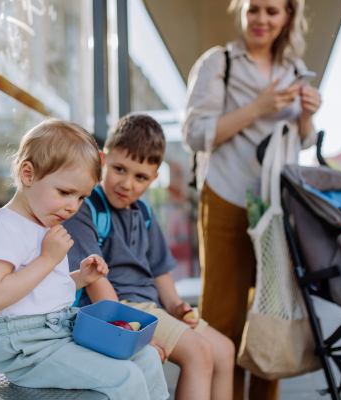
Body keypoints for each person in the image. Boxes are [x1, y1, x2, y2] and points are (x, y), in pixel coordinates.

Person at [0, 118, 169, 400]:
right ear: (28, 174)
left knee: (145, 360)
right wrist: (49, 259)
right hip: (26, 349)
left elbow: (38, 290)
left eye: (82, 197)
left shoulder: (45, 226)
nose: (73, 206)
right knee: (125, 377)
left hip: (59, 333)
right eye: (64, 192)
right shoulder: (2, 227)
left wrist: (80, 279)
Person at [182, 0, 322, 399]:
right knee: (222, 319)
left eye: (272, 11)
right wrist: (258, 108)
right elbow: (194, 134)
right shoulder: (219, 62)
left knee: (271, 314)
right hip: (227, 197)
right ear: (242, 11)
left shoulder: (295, 71)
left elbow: (302, 140)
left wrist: (307, 118)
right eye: (254, 8)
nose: (262, 19)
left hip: (278, 208)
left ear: (288, 17)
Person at [64, 114, 236, 400]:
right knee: (200, 353)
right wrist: (128, 332)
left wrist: (177, 306)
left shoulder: (144, 213)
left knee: (224, 351)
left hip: (152, 308)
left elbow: (159, 271)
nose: (128, 184)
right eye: (120, 169)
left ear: (154, 178)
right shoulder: (85, 207)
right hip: (121, 308)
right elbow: (93, 279)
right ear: (102, 160)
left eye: (141, 177)